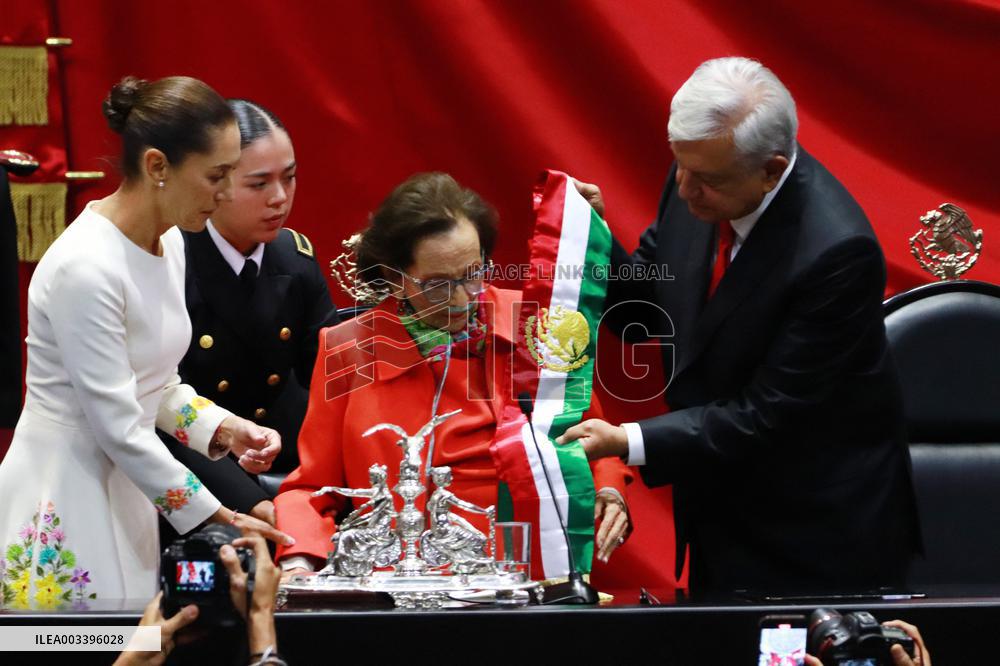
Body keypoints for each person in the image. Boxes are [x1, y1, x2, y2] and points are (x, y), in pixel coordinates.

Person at [561, 57, 920, 594]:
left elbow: (767, 414)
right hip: (722, 517)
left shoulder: (837, 252)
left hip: (816, 541)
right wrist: (594, 244)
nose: (684, 189)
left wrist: (624, 439)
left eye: (703, 179)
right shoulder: (703, 167)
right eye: (678, 166)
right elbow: (647, 316)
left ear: (772, 169)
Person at [0, 75, 292, 606]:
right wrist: (219, 513)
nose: (227, 194)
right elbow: (116, 424)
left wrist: (226, 426)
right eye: (217, 176)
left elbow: (155, 385)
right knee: (75, 647)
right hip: (63, 494)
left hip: (129, 487)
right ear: (158, 166)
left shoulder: (172, 242)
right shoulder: (85, 267)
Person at [275, 173, 632, 577]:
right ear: (394, 278)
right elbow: (309, 488)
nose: (463, 299)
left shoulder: (533, 324)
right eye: (438, 285)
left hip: (527, 568)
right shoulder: (348, 348)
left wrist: (608, 489)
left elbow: (591, 435)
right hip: (402, 578)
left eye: (473, 273)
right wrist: (299, 558)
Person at [163, 98, 338, 535]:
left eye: (289, 178)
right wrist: (254, 504)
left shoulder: (292, 257)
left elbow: (332, 377)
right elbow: (160, 410)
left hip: (286, 471)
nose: (279, 198)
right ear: (213, 183)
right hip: (196, 481)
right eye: (259, 184)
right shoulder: (170, 260)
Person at [113, 532, 286, 666]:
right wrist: (260, 616)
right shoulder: (90, 638)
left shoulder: (95, 638)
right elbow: (89, 638)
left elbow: (92, 638)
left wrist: (131, 660)